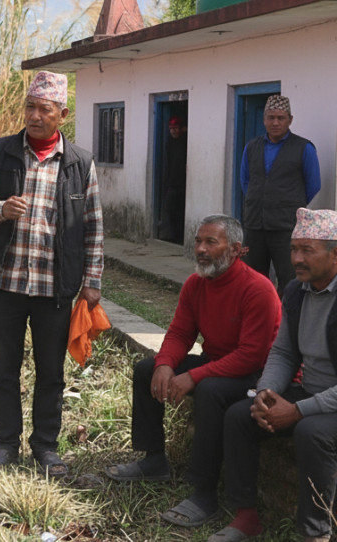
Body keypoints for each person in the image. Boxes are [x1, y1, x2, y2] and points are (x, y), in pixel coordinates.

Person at [103, 215, 280, 529]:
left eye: (211, 242)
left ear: (237, 249)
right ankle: (154, 459)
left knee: (211, 390)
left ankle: (204, 492)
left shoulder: (259, 290)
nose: (200, 249)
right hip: (217, 363)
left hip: (254, 375)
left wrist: (194, 376)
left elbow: (252, 355)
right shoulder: (196, 284)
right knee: (146, 369)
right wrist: (165, 364)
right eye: (199, 241)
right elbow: (180, 333)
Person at [0, 70, 104, 479]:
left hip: (55, 289)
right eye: (29, 107)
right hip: (6, 283)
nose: (34, 116)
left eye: (44, 109)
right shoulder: (2, 151)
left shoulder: (80, 163)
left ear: (62, 114)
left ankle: (46, 446)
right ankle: (6, 443)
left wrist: (93, 281)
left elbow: (93, 225)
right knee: (4, 370)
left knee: (51, 373)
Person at [210, 208, 337, 542]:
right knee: (241, 414)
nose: (295, 258)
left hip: (328, 405)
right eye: (293, 249)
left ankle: (315, 533)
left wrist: (296, 411)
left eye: (307, 250)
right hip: (310, 393)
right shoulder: (296, 290)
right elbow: (283, 352)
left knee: (312, 432)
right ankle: (246, 517)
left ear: (335, 253)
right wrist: (266, 393)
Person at [240, 95, 321, 291]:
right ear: (264, 119)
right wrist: (259, 202)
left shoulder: (304, 148)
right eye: (271, 117)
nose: (275, 122)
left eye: (281, 118)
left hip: (286, 227)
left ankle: (286, 319)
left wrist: (287, 205)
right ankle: (258, 317)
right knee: (252, 278)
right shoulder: (252, 147)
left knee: (290, 279)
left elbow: (313, 185)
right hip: (254, 225)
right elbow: (245, 181)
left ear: (290, 120)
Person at [158, 115, 188, 244]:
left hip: (184, 184)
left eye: (176, 128)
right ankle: (173, 236)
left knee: (181, 211)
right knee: (171, 209)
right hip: (172, 183)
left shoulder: (186, 141)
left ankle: (180, 237)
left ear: (182, 129)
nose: (174, 131)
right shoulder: (169, 142)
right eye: (171, 129)